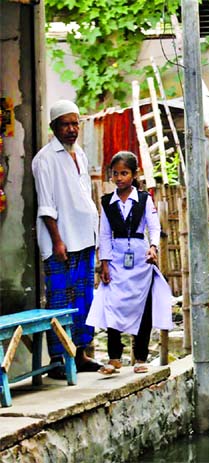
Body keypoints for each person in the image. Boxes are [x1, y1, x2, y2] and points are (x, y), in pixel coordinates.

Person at [32, 99, 103, 379]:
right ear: (54, 127)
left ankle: (81, 353)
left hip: (84, 238)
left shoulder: (80, 154)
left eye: (75, 123)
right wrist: (57, 240)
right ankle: (59, 359)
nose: (72, 129)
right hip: (61, 241)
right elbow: (47, 205)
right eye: (66, 124)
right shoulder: (45, 159)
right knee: (60, 300)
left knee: (85, 298)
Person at [86, 152, 173, 374]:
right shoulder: (107, 203)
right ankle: (114, 357)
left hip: (140, 259)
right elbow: (104, 234)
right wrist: (104, 262)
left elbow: (153, 227)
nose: (119, 178)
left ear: (135, 175)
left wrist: (153, 247)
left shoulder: (144, 199)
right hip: (116, 259)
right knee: (112, 304)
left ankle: (140, 357)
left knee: (142, 306)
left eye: (124, 173)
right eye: (115, 173)